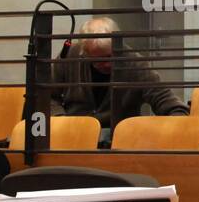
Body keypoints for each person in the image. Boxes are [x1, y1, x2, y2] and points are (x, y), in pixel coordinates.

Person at [52, 17, 189, 132]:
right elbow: (47, 97)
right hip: (74, 134)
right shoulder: (69, 57)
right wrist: (62, 123)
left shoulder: (136, 65)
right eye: (97, 61)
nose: (106, 65)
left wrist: (173, 129)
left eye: (110, 57)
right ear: (84, 53)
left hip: (118, 138)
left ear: (119, 47)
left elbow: (170, 104)